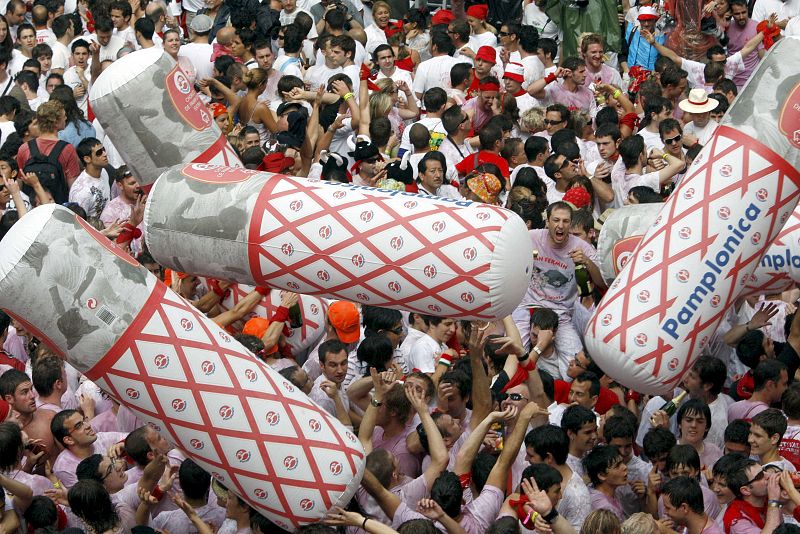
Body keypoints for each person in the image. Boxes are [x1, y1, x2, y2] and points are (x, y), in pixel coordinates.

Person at [514, 202, 606, 379]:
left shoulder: (582, 247)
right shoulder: (531, 237)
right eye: (556, 220)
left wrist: (587, 262)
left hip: (561, 312)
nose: (560, 226)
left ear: (570, 224)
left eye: (565, 221)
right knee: (517, 351)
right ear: (547, 222)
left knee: (574, 364)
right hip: (528, 304)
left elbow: (600, 282)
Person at [68, 137, 110, 219]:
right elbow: (79, 223)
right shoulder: (81, 192)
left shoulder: (104, 172)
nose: (105, 154)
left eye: (103, 149)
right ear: (87, 159)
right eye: (99, 152)